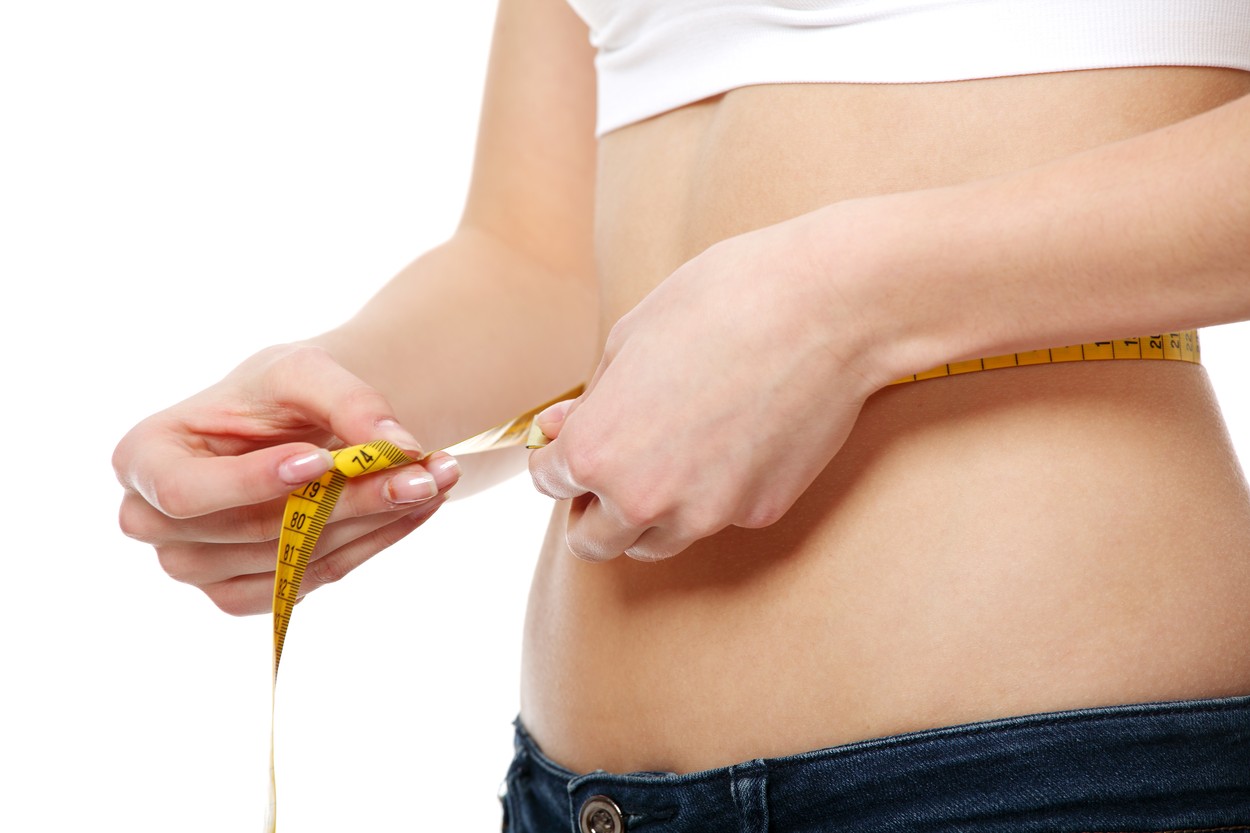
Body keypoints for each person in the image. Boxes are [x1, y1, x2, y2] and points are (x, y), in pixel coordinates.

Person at [114, 0, 1250, 829]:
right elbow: (536, 261)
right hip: (573, 795)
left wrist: (845, 302)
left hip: (1032, 774)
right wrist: (336, 409)